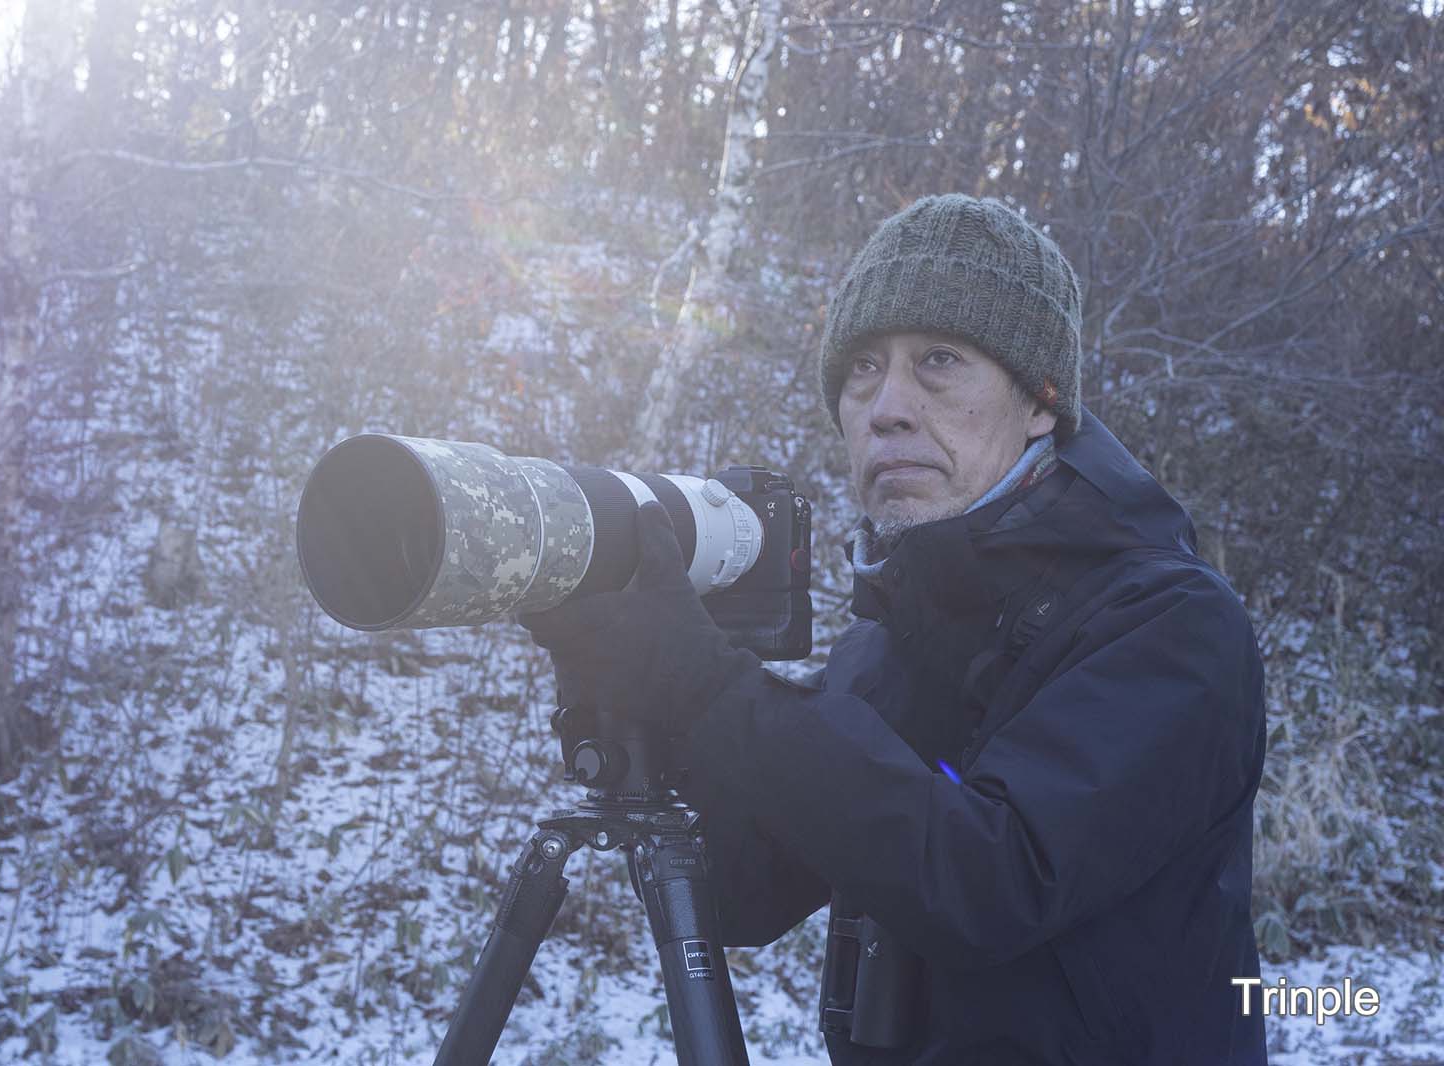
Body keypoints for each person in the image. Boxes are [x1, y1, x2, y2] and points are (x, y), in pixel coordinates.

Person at [519, 193, 1268, 1065]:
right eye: (864, 368)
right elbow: (746, 895)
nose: (887, 408)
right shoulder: (893, 632)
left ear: (1039, 403)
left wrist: (708, 683)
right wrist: (640, 696)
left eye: (940, 361)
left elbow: (988, 880)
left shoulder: (1173, 626)